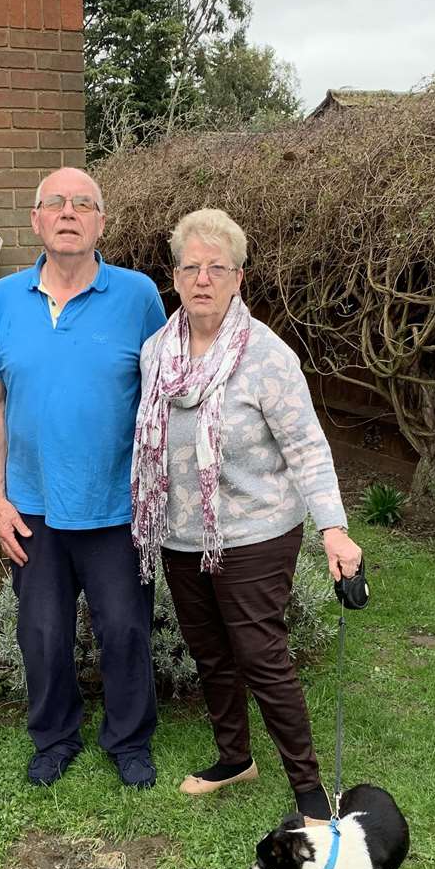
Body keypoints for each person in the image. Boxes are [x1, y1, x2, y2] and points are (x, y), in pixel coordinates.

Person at [131, 208, 362, 820]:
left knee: (261, 657)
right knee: (210, 651)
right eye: (191, 267)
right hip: (182, 534)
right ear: (175, 277)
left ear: (237, 278)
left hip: (258, 532)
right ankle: (235, 757)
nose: (202, 278)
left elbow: (308, 446)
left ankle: (310, 794)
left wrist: (334, 531)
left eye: (217, 268)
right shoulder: (157, 351)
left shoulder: (266, 356)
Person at [0, 167, 167, 789]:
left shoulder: (138, 297)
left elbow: (162, 396)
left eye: (84, 204)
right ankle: (54, 738)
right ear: (36, 220)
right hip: (33, 508)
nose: (69, 212)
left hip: (117, 506)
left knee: (126, 629)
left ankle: (129, 742)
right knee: (43, 633)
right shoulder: (2, 300)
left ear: (102, 221)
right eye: (55, 203)